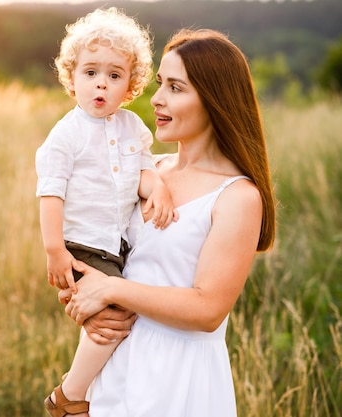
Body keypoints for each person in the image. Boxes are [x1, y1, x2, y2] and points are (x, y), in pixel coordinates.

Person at [58, 28, 277, 416]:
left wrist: (112, 291)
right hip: (115, 372)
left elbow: (208, 310)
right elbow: (105, 254)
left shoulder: (237, 196)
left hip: (178, 382)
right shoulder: (146, 170)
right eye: (160, 83)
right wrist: (83, 292)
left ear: (214, 100)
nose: (156, 99)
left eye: (176, 88)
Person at [35, 8, 178, 417]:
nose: (101, 82)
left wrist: (159, 187)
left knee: (120, 312)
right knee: (116, 314)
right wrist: (54, 250)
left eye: (114, 76)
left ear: (130, 86)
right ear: (72, 77)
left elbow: (143, 173)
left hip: (117, 244)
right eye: (90, 72)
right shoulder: (67, 134)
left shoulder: (134, 127)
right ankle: (70, 397)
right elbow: (50, 194)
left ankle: (93, 392)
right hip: (82, 245)